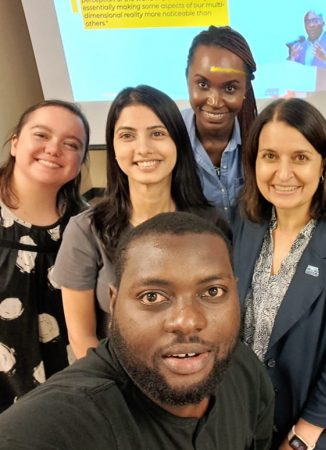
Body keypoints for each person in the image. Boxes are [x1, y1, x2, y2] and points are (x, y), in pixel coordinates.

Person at [0, 212, 274, 449]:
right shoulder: (53, 428)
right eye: (152, 296)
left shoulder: (246, 371)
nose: (187, 321)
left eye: (212, 291)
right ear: (115, 303)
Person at [234, 98, 326, 449]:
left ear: (322, 164)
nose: (283, 174)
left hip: (316, 427)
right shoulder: (243, 222)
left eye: (299, 157)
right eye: (269, 156)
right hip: (246, 416)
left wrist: (302, 437)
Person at [51, 85, 225, 360]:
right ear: (114, 146)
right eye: (127, 136)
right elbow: (82, 337)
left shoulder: (212, 223)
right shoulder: (86, 230)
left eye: (157, 133)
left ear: (177, 142)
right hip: (120, 385)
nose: (143, 148)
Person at [0, 100, 89, 412]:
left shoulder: (88, 226)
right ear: (15, 143)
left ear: (80, 161)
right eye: (41, 135)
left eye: (71, 144)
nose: (54, 149)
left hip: (59, 403)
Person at [183, 25, 257, 222]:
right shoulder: (167, 134)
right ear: (187, 79)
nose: (214, 102)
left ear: (245, 90)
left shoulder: (261, 140)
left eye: (230, 88)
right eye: (203, 85)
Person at [287, 10, 326, 76]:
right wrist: (292, 60)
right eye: (307, 22)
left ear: (323, 23)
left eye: (315, 21)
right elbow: (290, 75)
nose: (311, 25)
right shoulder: (299, 47)